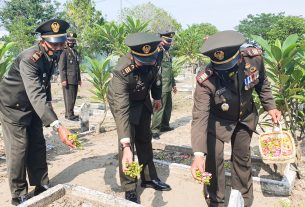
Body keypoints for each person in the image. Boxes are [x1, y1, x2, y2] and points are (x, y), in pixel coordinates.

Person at [190, 30, 281, 207]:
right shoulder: (205, 79)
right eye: (221, 67)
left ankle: (244, 200)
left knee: (242, 159)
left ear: (239, 55)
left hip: (245, 117)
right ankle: (216, 200)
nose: (226, 71)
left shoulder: (254, 59)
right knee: (213, 162)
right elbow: (199, 117)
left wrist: (271, 106)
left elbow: (262, 83)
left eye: (230, 65)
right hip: (217, 122)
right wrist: (198, 155)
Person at [0, 19, 76, 206]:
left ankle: (41, 184)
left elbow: (44, 83)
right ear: (42, 42)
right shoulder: (29, 58)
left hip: (33, 105)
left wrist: (48, 107)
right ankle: (19, 194)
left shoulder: (53, 54)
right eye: (54, 44)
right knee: (19, 148)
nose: (59, 47)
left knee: (37, 144)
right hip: (13, 106)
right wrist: (58, 126)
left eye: (61, 43)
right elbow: (34, 92)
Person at [107, 32, 171, 203]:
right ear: (134, 55)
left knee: (145, 138)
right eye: (143, 61)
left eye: (151, 59)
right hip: (122, 102)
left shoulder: (154, 56)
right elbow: (121, 109)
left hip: (142, 100)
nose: (149, 63)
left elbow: (157, 77)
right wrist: (126, 144)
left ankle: (149, 178)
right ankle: (129, 187)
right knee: (127, 142)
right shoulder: (122, 70)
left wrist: (156, 97)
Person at [151, 31, 177, 140]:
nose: (169, 43)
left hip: (168, 85)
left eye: (170, 41)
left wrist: (174, 84)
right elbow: (155, 68)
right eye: (167, 41)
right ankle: (155, 130)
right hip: (161, 85)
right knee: (159, 107)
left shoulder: (167, 52)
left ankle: (165, 126)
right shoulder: (158, 51)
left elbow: (169, 70)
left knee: (168, 107)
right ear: (161, 40)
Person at [58, 32, 81, 121]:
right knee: (69, 97)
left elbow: (77, 66)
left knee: (73, 97)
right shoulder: (64, 51)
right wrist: (63, 79)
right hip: (68, 78)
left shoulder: (75, 51)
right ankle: (69, 115)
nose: (71, 42)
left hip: (74, 78)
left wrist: (79, 79)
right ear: (66, 41)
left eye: (73, 40)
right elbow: (61, 67)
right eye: (70, 40)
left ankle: (70, 113)